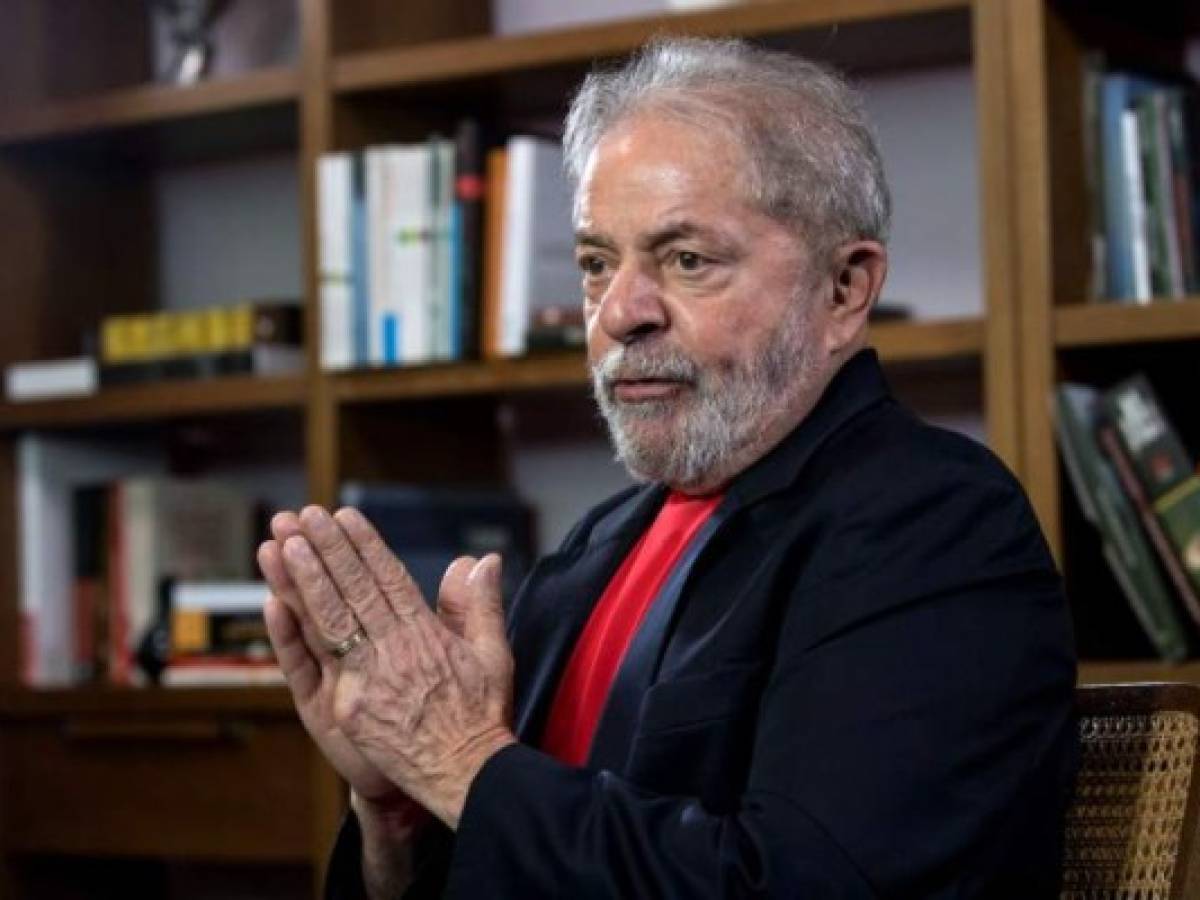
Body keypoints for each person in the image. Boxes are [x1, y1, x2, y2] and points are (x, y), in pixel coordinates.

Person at [258, 38, 1077, 899]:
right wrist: (400, 816)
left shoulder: (938, 522)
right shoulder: (592, 549)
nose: (618, 315)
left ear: (845, 290)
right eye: (596, 265)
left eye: (687, 260)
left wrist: (461, 762)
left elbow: (804, 886)